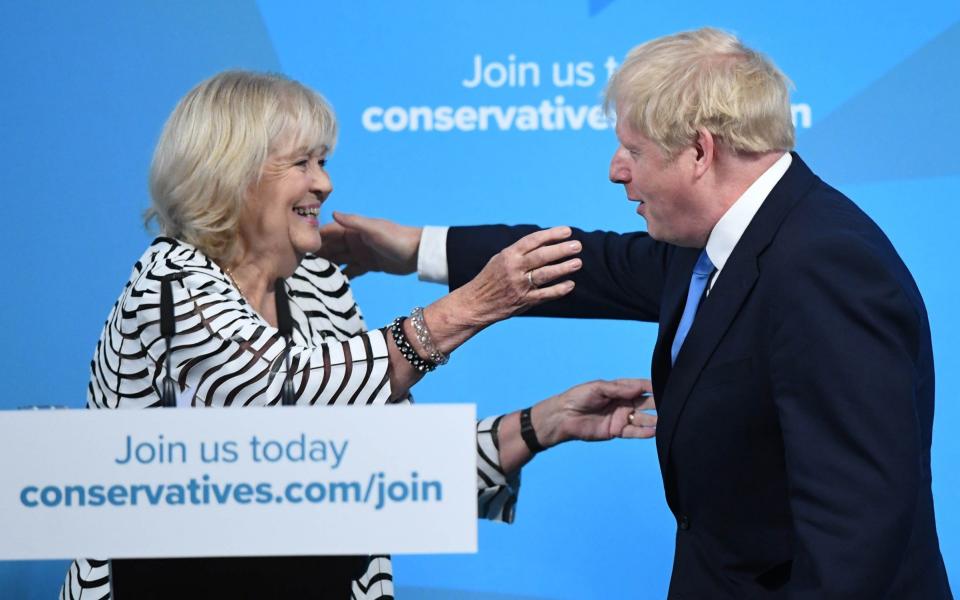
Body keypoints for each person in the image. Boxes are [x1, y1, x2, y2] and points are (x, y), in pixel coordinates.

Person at [320, 28, 953, 598]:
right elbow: (584, 263)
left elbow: (855, 530)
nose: (616, 171)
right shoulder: (721, 239)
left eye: (634, 149)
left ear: (700, 151)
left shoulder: (825, 266)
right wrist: (409, 249)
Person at [59, 71, 657, 600]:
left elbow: (383, 468)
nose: (324, 185)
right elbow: (279, 392)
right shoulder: (171, 278)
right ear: (232, 174)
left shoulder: (318, 286)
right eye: (303, 163)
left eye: (324, 162)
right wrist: (473, 304)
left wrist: (539, 424)